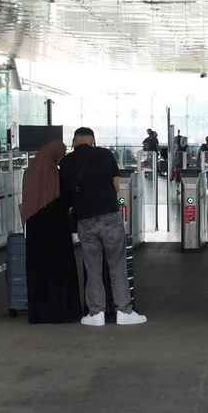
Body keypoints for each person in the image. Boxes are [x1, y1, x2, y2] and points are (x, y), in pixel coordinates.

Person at [61, 127, 147, 326]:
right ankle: (124, 312)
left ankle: (95, 314)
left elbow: (66, 195)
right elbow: (116, 187)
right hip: (109, 216)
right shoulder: (105, 154)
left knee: (93, 268)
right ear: (92, 140)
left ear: (73, 142)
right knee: (117, 265)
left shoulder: (65, 162)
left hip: (85, 219)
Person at [20, 139, 82, 324]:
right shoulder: (55, 173)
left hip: (34, 227)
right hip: (56, 227)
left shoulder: (29, 172)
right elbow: (66, 199)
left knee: (38, 269)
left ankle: (39, 313)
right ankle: (62, 312)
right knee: (59, 269)